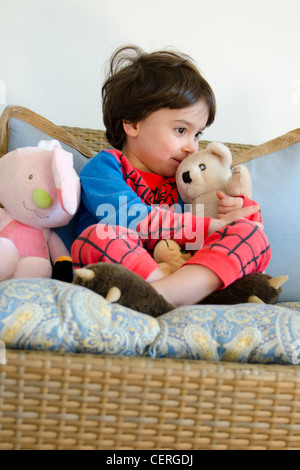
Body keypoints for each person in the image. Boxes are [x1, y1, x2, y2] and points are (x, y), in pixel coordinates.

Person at [71, 45, 271, 307]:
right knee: (97, 236)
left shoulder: (185, 180)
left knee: (253, 236)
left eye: (197, 134)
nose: (192, 146)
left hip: (183, 269)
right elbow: (133, 219)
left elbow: (218, 227)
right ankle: (172, 294)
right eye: (180, 130)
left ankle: (168, 296)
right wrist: (212, 227)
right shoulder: (106, 167)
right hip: (127, 269)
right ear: (132, 123)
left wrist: (239, 213)